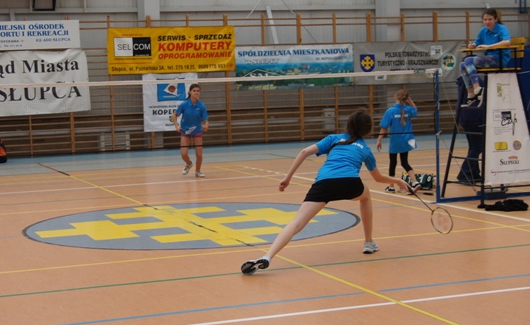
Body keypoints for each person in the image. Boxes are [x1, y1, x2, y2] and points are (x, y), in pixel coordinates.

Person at [241, 110, 413, 274]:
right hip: (350, 183)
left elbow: (304, 152)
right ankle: (368, 242)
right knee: (366, 196)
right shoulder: (365, 149)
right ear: (367, 130)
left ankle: (267, 256)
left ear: (348, 124)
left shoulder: (334, 139)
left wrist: (287, 178)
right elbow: (378, 178)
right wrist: (397, 181)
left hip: (324, 184)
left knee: (296, 224)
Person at [461, 7, 510, 107]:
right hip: (488, 59)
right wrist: (472, 45)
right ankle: (471, 94)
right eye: (485, 19)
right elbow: (477, 42)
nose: (487, 22)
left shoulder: (502, 29)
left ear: (495, 19)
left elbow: (507, 42)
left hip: (499, 59)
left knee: (468, 60)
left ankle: (478, 89)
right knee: (462, 64)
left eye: (490, 19)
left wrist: (489, 46)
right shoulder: (483, 31)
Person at [376, 89, 422, 194]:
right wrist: (410, 101)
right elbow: (415, 110)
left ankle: (391, 186)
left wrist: (379, 140)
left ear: (395, 97)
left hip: (395, 141)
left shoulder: (390, 111)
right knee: (404, 162)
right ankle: (415, 182)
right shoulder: (408, 110)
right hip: (407, 140)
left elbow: (384, 127)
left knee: (393, 163)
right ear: (406, 99)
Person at [173, 83, 209, 178]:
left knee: (199, 155)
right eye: (194, 91)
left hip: (197, 131)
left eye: (198, 91)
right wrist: (177, 126)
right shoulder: (184, 104)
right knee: (184, 154)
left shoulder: (201, 106)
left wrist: (206, 125)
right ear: (190, 92)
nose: (196, 92)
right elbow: (175, 115)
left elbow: (205, 120)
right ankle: (189, 163)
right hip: (185, 131)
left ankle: (198, 171)